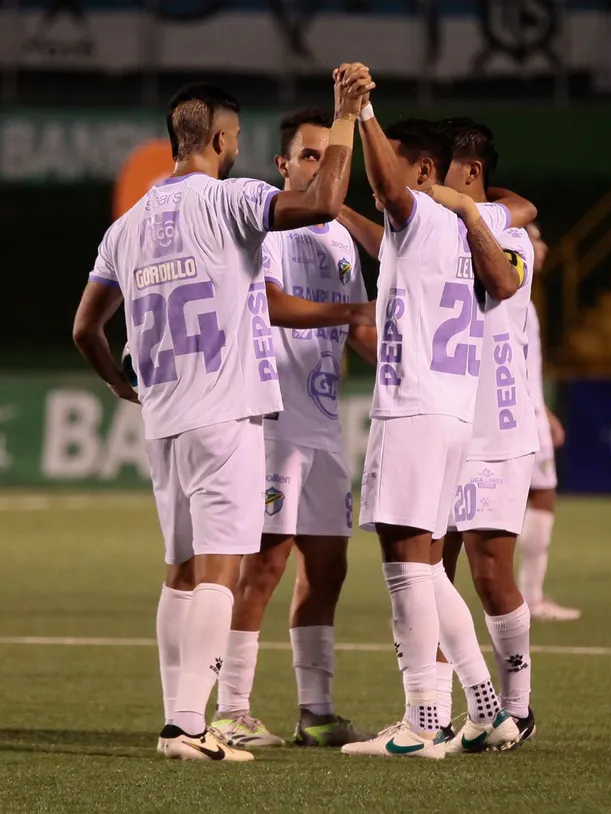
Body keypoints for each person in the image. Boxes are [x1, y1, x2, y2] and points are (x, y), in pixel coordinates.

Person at [72, 68, 375, 762]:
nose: (235, 146)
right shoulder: (233, 200)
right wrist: (345, 119)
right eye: (233, 137)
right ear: (215, 138)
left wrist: (121, 384)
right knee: (220, 572)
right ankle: (188, 725)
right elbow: (327, 201)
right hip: (228, 413)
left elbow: (85, 329)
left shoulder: (126, 228)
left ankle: (179, 717)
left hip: (165, 420)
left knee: (179, 572)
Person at [338, 81, 530, 759]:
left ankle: (423, 721)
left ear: (420, 168)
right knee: (424, 564)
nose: (379, 174)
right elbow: (499, 275)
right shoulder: (451, 225)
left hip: (414, 406)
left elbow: (390, 195)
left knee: (403, 564)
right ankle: (485, 706)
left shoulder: (419, 208)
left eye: (391, 159)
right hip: (448, 411)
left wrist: (360, 114)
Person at [212, 107, 376, 749]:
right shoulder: (270, 224)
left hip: (325, 425)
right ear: (283, 165)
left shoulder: (339, 234)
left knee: (328, 568)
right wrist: (354, 308)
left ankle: (317, 712)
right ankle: (232, 709)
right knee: (265, 565)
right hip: (274, 421)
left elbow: (356, 329)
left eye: (326, 155)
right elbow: (272, 305)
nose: (318, 165)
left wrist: (399, 355)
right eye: (308, 156)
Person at [430, 118, 538, 749]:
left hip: (497, 432)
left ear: (469, 174)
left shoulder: (504, 231)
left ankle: (518, 706)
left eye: (440, 169)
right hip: (443, 426)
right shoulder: (446, 227)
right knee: (428, 567)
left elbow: (513, 230)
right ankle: (433, 711)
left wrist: (473, 207)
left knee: (489, 572)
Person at [518, 223, 580, 621]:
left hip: (529, 410)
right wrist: (533, 412)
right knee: (539, 496)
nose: (543, 246)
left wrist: (546, 411)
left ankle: (527, 596)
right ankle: (530, 597)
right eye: (534, 237)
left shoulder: (523, 298)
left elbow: (522, 366)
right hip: (517, 414)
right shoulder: (511, 297)